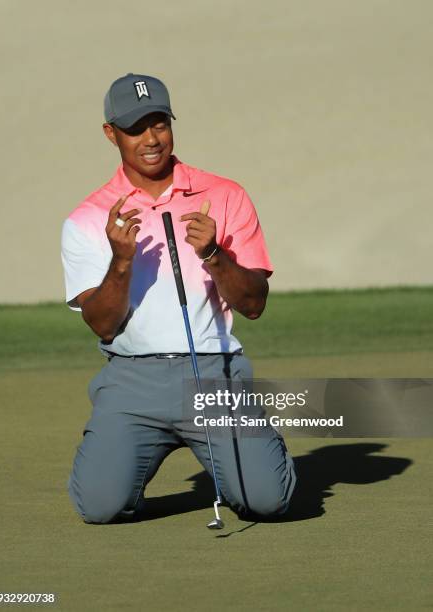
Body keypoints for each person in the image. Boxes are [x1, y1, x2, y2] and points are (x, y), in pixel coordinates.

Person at [61, 73, 296, 524]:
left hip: (214, 372)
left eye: (159, 123)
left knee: (268, 500)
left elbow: (254, 304)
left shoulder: (226, 195)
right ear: (111, 134)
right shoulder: (88, 218)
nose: (151, 138)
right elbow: (103, 324)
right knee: (99, 506)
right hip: (131, 382)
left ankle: (258, 449)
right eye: (135, 128)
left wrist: (214, 254)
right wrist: (122, 261)